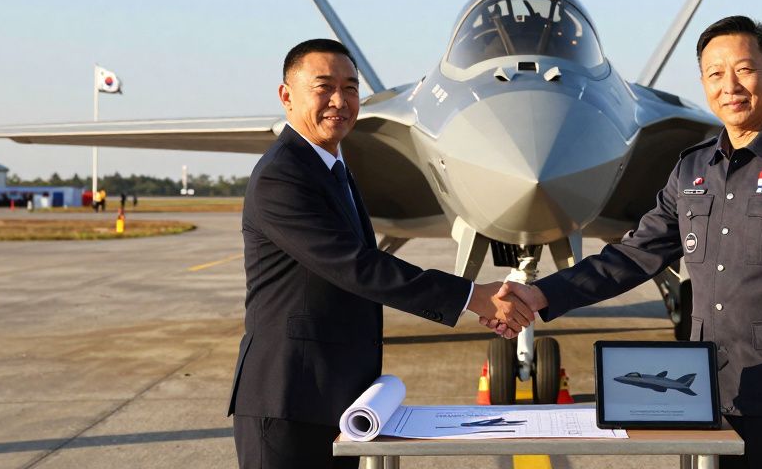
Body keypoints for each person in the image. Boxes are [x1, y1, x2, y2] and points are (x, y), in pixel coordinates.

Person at [490, 16, 762, 469]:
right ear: (704, 83)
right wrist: (542, 294)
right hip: (704, 397)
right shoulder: (693, 170)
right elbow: (634, 255)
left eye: (745, 70)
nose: (730, 86)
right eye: (715, 74)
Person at [227, 38, 533, 469]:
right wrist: (472, 296)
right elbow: (357, 268)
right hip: (288, 402)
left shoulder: (332, 169)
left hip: (332, 399)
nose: (339, 101)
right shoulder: (283, 176)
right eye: (324, 87)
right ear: (286, 95)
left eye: (350, 89)